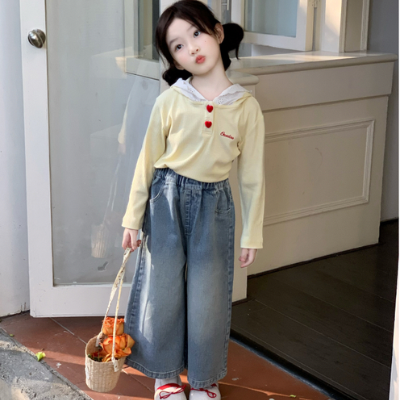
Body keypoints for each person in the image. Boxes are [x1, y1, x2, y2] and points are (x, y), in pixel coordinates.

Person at [121, 1, 265, 399]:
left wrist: (252, 234)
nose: (192, 48)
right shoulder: (170, 100)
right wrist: (132, 218)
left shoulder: (246, 108)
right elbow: (146, 162)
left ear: (218, 32)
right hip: (165, 200)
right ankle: (164, 375)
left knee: (209, 297)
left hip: (214, 205)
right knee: (162, 290)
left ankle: (204, 379)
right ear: (174, 60)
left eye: (197, 33)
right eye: (178, 46)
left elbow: (252, 177)